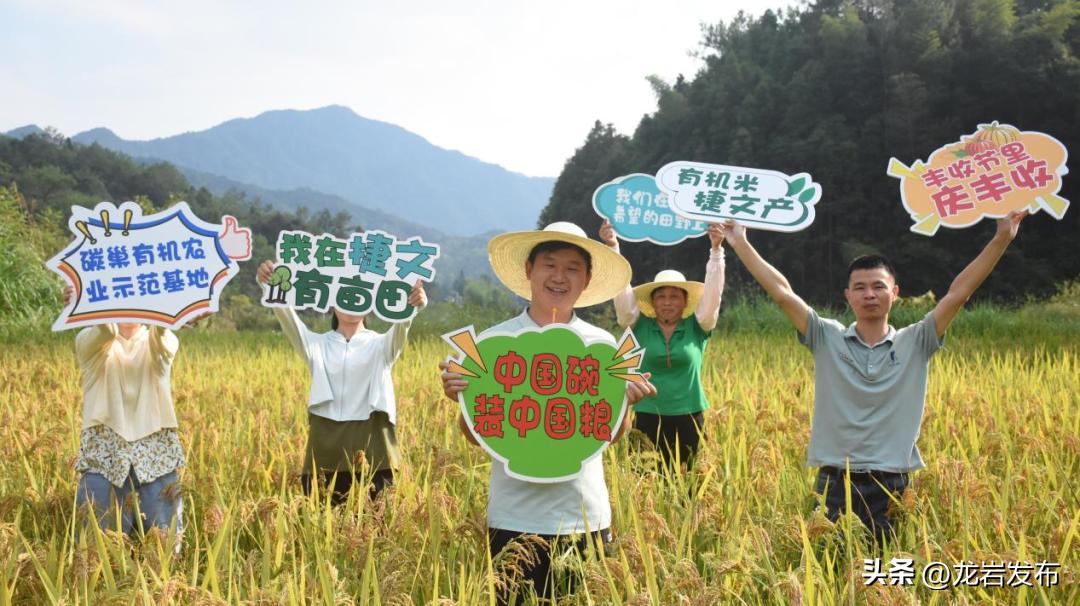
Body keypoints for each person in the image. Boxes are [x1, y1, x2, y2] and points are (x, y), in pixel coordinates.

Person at [718, 210, 1029, 543]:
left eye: (878, 287)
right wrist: (740, 243)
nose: (869, 294)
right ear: (847, 296)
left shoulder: (917, 340)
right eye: (860, 288)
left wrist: (1001, 239)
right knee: (830, 578)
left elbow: (958, 294)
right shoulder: (826, 337)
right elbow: (782, 294)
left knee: (888, 579)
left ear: (894, 293)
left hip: (893, 485)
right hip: (835, 483)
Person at [439, 222, 656, 605]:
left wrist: (626, 404)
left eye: (573, 268)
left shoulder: (605, 347)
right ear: (529, 270)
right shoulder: (491, 345)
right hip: (513, 520)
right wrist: (465, 403)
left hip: (584, 517)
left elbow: (609, 436)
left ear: (587, 279)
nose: (560, 277)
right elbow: (476, 436)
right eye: (549, 265)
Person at [257, 260, 427, 504]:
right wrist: (270, 284)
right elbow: (288, 319)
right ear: (330, 302)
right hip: (326, 446)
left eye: (359, 294)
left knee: (375, 532)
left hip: (374, 446)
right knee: (322, 527)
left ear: (371, 304)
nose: (350, 302)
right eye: (342, 294)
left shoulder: (381, 345)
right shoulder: (316, 345)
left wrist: (413, 306)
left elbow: (402, 327)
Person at [600, 220, 725, 471]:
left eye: (674, 296)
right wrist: (613, 246)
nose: (668, 302)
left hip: (690, 416)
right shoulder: (638, 324)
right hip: (647, 417)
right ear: (653, 302)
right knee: (646, 485)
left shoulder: (698, 326)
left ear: (685, 301)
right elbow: (622, 294)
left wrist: (716, 251)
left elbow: (713, 295)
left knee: (691, 486)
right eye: (661, 296)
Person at [66, 286, 189, 540]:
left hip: (156, 456)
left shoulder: (162, 340)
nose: (128, 305)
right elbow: (106, 330)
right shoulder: (89, 341)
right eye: (120, 295)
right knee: (96, 552)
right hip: (104, 456)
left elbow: (162, 336)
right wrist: (87, 304)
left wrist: (175, 310)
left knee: (164, 549)